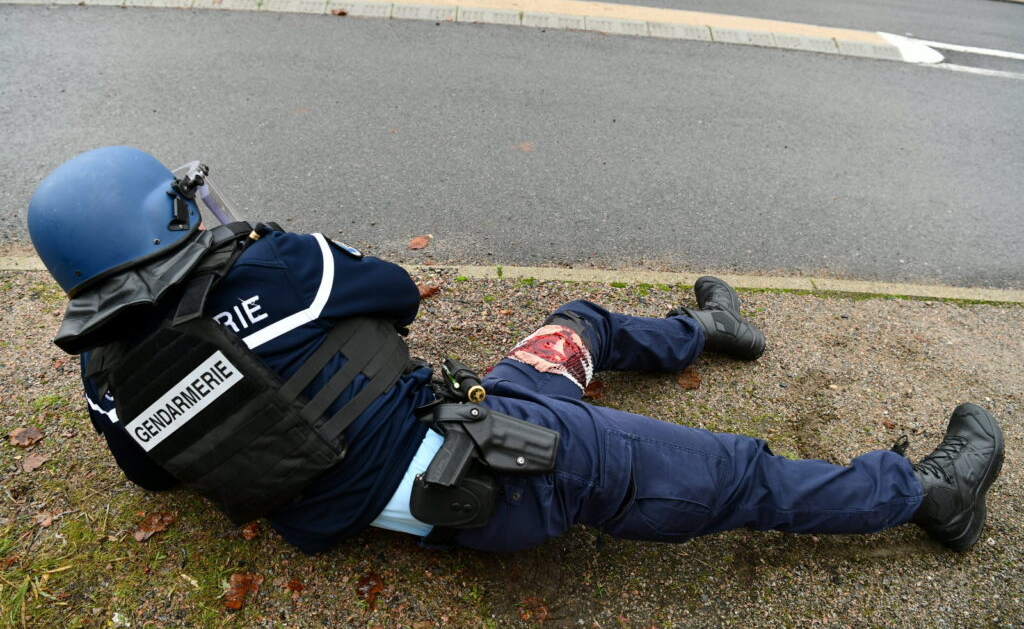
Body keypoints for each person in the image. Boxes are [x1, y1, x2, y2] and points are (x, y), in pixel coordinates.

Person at [27, 146, 1004, 555]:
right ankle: (925, 495)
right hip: (515, 465)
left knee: (573, 326)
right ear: (176, 221)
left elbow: (156, 478)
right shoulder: (282, 272)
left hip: (416, 482)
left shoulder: (106, 381)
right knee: (739, 470)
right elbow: (397, 295)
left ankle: (701, 332)